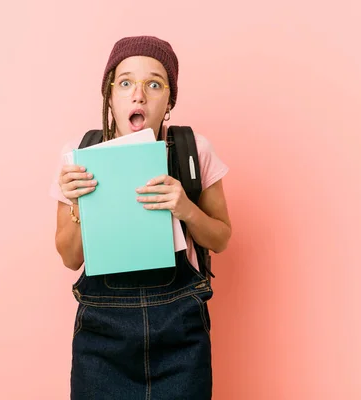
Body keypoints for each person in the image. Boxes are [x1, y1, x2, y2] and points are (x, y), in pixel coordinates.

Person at [50, 36, 231, 400]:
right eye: (126, 82)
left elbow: (221, 238)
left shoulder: (194, 150)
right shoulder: (78, 154)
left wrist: (186, 209)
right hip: (102, 338)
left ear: (169, 100)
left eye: (154, 84)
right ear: (110, 95)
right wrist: (78, 205)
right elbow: (71, 259)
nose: (139, 95)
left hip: (180, 334)